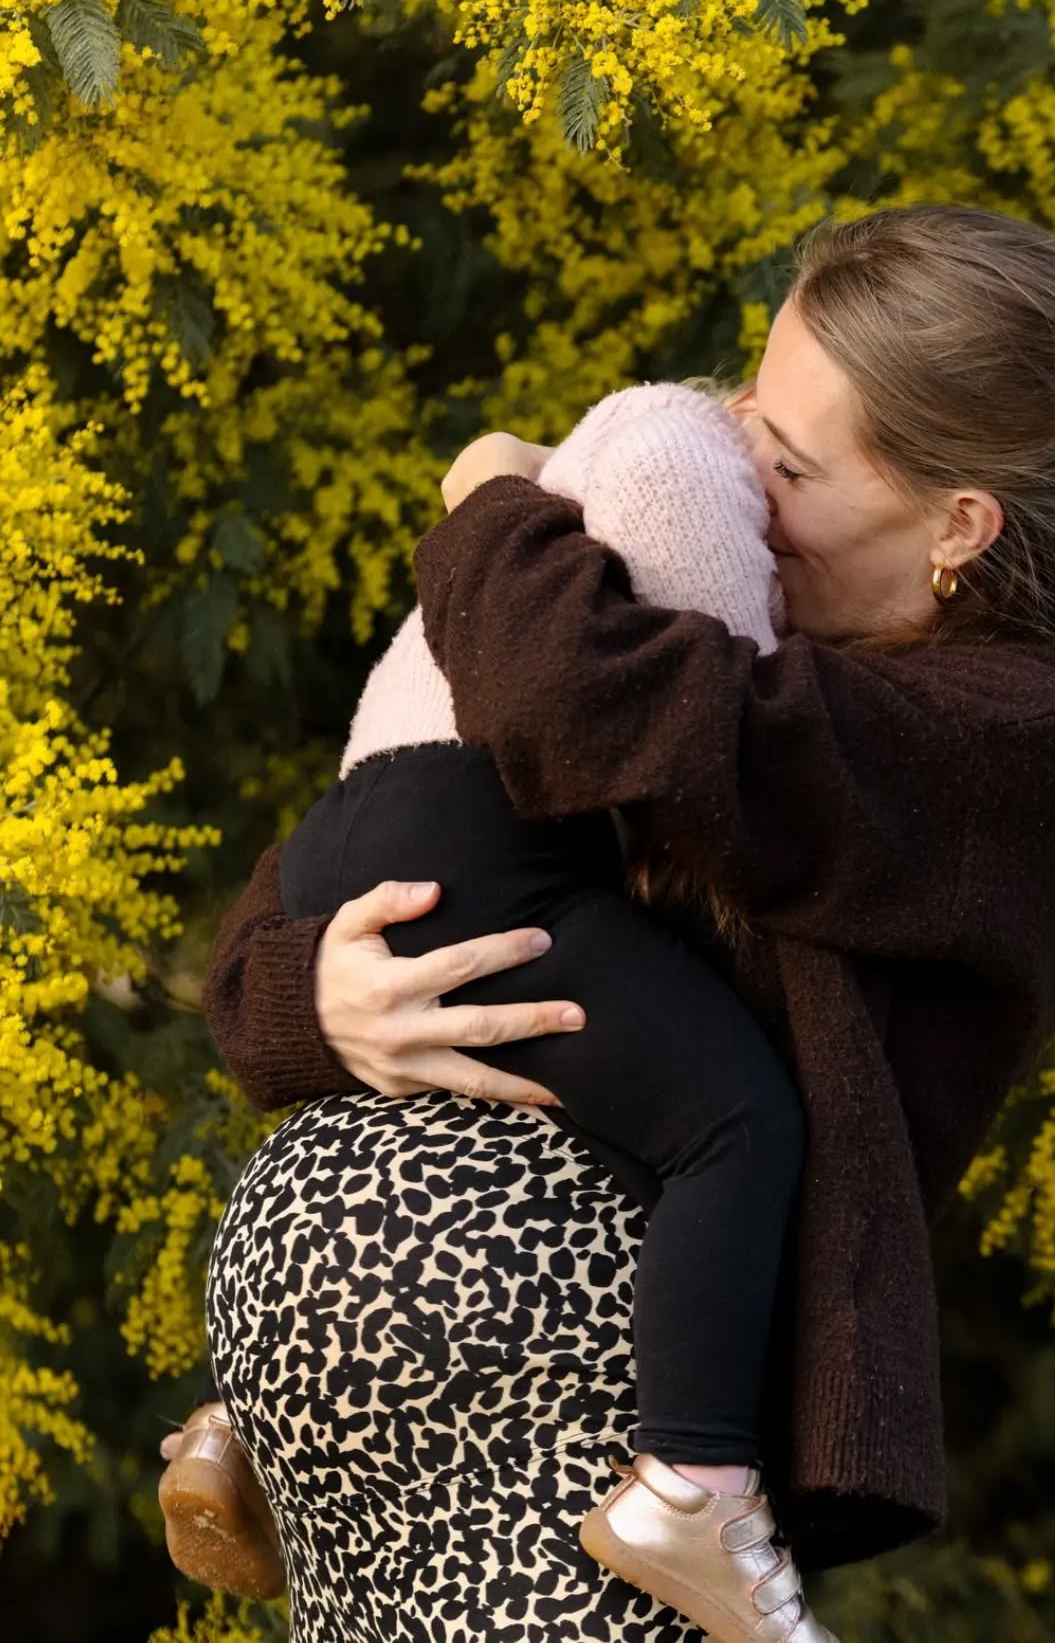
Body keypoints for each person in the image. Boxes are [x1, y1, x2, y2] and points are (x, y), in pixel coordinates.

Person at [181, 205, 1055, 1641]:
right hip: (389, 1433)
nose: (738, 469)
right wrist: (317, 1006)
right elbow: (356, 865)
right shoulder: (756, 650)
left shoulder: (1015, 748)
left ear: (963, 524)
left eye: (783, 458)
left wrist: (486, 498)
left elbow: (575, 705)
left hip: (573, 1431)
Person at [163, 379, 836, 1641]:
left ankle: (232, 1423)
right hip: (476, 839)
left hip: (362, 831)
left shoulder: (539, 502)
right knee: (734, 1120)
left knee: (450, 1051)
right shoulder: (683, 442)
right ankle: (693, 1485)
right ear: (748, 401)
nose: (788, 507)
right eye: (793, 465)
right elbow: (706, 724)